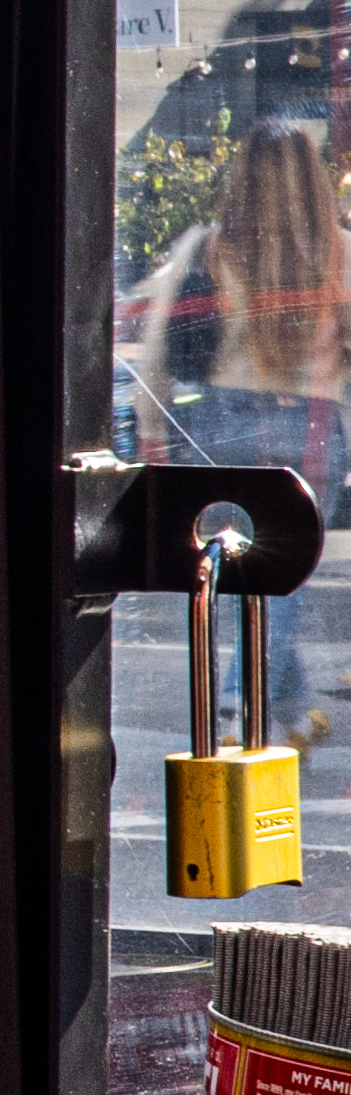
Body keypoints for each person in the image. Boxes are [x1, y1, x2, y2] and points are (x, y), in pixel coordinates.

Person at [138, 118, 345, 745]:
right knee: (283, 572)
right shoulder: (343, 250)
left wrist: (153, 434)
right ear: (314, 180)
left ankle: (276, 708)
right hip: (311, 426)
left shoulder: (208, 246)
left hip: (223, 424)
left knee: (247, 569)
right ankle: (243, 710)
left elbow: (157, 351)